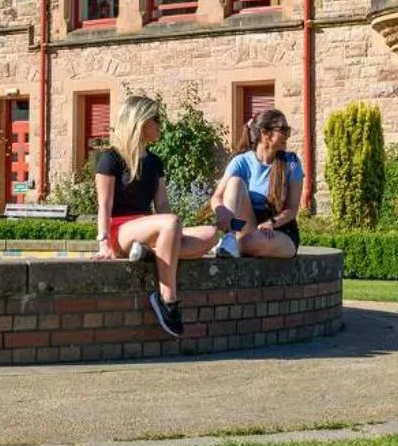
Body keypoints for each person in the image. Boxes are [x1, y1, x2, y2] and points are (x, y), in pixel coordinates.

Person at [92, 94, 221, 337]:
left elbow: (161, 203)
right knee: (170, 223)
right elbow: (104, 204)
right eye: (156, 119)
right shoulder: (110, 159)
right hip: (120, 231)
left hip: (149, 229)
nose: (160, 124)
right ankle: (167, 298)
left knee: (211, 234)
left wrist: (173, 234)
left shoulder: (154, 162)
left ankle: (149, 252)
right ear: (140, 122)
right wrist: (102, 243)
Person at [213, 108, 303, 259]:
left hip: (280, 230)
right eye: (283, 130)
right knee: (235, 182)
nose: (287, 135)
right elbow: (217, 197)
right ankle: (229, 237)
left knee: (247, 243)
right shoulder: (241, 162)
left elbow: (292, 209)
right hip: (248, 225)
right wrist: (221, 211)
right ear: (265, 133)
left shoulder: (291, 163)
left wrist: (272, 222)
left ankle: (230, 245)